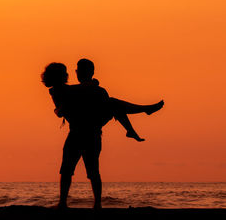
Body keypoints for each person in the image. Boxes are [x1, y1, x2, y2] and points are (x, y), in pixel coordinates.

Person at [41, 59, 163, 209]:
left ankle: (93, 203)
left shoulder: (82, 89)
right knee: (70, 169)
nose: (70, 74)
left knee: (88, 170)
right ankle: (66, 203)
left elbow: (79, 91)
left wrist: (91, 86)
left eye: (75, 71)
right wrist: (92, 84)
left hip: (90, 130)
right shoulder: (59, 90)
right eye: (66, 73)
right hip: (81, 132)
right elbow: (75, 93)